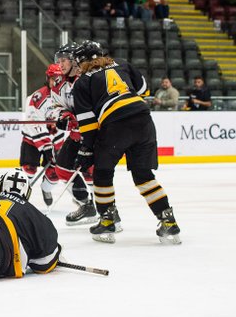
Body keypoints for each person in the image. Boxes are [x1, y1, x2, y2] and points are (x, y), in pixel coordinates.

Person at [71, 40, 181, 245]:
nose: (77, 67)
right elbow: (144, 90)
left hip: (115, 124)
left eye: (78, 63)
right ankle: (168, 221)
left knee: (102, 173)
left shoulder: (82, 82)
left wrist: (87, 148)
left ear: (84, 61)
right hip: (143, 119)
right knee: (144, 175)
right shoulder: (122, 63)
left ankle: (107, 220)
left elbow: (87, 122)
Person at [47, 42, 98, 226]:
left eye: (64, 60)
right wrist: (63, 115)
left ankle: (107, 209)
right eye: (58, 60)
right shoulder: (60, 84)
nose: (60, 64)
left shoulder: (90, 79)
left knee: (97, 173)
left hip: (94, 135)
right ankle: (87, 205)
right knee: (62, 169)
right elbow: (53, 107)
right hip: (76, 135)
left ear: (75, 61)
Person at [19, 63, 64, 207]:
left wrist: (56, 145)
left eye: (59, 79)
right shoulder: (38, 97)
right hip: (33, 140)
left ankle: (46, 189)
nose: (56, 82)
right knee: (28, 170)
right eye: (53, 79)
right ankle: (20, 197)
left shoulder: (66, 96)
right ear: (48, 78)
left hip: (56, 141)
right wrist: (46, 146)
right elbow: (34, 123)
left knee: (54, 174)